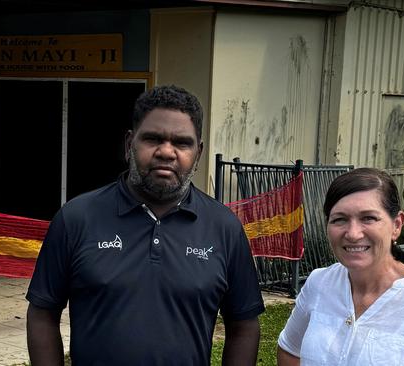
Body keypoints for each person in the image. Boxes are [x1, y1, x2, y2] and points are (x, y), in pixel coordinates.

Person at [26, 85, 265, 366]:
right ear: (130, 144)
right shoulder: (76, 218)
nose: (166, 152)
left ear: (198, 152)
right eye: (152, 139)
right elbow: (42, 313)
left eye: (182, 143)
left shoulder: (224, 228)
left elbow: (244, 326)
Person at [277, 168, 404, 365]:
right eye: (340, 219)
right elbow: (289, 349)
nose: (353, 233)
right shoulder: (319, 283)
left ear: (396, 225)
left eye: (368, 218)